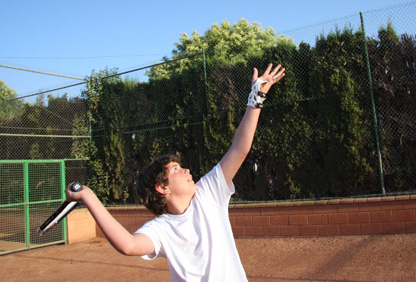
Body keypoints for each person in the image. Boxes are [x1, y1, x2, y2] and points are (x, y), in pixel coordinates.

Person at [66, 63, 285, 281]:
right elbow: (128, 245)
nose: (187, 170)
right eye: (176, 169)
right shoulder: (161, 229)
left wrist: (256, 98)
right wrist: (88, 195)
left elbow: (240, 148)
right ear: (162, 187)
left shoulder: (208, 193)